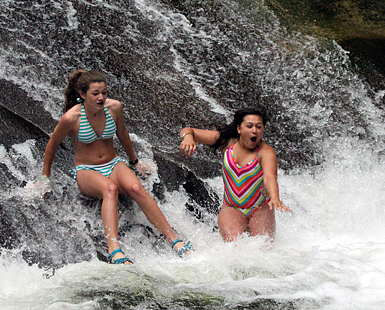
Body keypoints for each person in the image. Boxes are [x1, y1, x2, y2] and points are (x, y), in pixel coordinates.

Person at [39, 69, 191, 264]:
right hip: (87, 170)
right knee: (110, 189)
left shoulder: (115, 108)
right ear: (82, 94)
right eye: (95, 94)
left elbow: (123, 134)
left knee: (136, 187)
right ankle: (114, 250)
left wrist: (135, 162)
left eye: (104, 92)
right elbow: (51, 146)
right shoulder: (71, 118)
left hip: (113, 163)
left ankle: (174, 240)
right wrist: (44, 178)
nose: (101, 97)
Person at [179, 107, 290, 241]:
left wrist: (275, 197)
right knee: (235, 248)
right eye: (249, 126)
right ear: (239, 128)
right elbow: (188, 130)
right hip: (231, 208)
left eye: (259, 127)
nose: (254, 130)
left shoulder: (265, 152)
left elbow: (270, 177)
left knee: (263, 252)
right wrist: (188, 139)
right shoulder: (226, 142)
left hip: (260, 209)